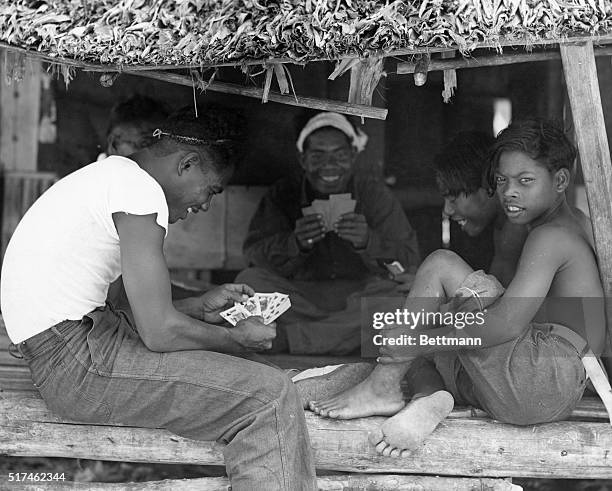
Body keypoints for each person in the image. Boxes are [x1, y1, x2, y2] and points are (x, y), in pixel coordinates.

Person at [1, 107, 316, 490]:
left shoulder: (112, 177)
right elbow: (160, 333)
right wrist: (237, 339)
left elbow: (119, 309)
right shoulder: (139, 192)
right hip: (78, 364)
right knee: (268, 398)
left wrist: (198, 307)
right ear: (187, 164)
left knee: (253, 379)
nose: (205, 205)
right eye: (212, 189)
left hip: (72, 352)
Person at [307, 118, 608, 457]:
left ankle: (382, 387)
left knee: (439, 267)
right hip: (549, 389)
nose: (509, 191)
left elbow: (506, 323)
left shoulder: (550, 235)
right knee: (416, 332)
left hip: (543, 374)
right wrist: (421, 339)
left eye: (525, 181)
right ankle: (429, 397)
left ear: (560, 180)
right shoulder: (576, 223)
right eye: (501, 180)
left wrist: (419, 340)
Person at [236, 111, 421, 355]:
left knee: (402, 296)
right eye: (318, 156)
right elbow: (252, 256)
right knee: (247, 281)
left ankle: (289, 340)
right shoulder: (283, 194)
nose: (329, 165)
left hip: (358, 298)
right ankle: (341, 337)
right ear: (303, 159)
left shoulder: (373, 194)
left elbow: (409, 260)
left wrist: (369, 241)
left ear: (353, 156)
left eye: (340, 155)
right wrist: (294, 244)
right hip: (300, 300)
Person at [435, 131, 527, 286]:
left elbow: (501, 306)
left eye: (452, 199)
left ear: (488, 184)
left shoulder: (516, 228)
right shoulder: (504, 225)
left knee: (439, 264)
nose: (447, 210)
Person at [97, 94, 169, 160]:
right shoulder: (95, 173)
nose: (157, 152)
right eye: (145, 143)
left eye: (162, 144)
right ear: (114, 145)